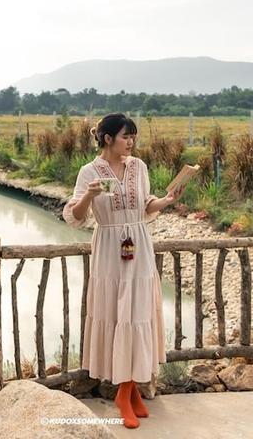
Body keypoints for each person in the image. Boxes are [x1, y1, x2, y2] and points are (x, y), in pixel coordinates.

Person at [63, 112, 185, 429]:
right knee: (117, 315)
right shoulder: (89, 172)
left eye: (133, 137)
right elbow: (75, 216)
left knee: (138, 312)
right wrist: (89, 195)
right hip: (109, 248)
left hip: (139, 244)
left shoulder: (139, 167)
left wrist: (167, 200)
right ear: (108, 139)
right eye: (125, 136)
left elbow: (145, 206)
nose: (131, 142)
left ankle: (128, 392)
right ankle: (124, 394)